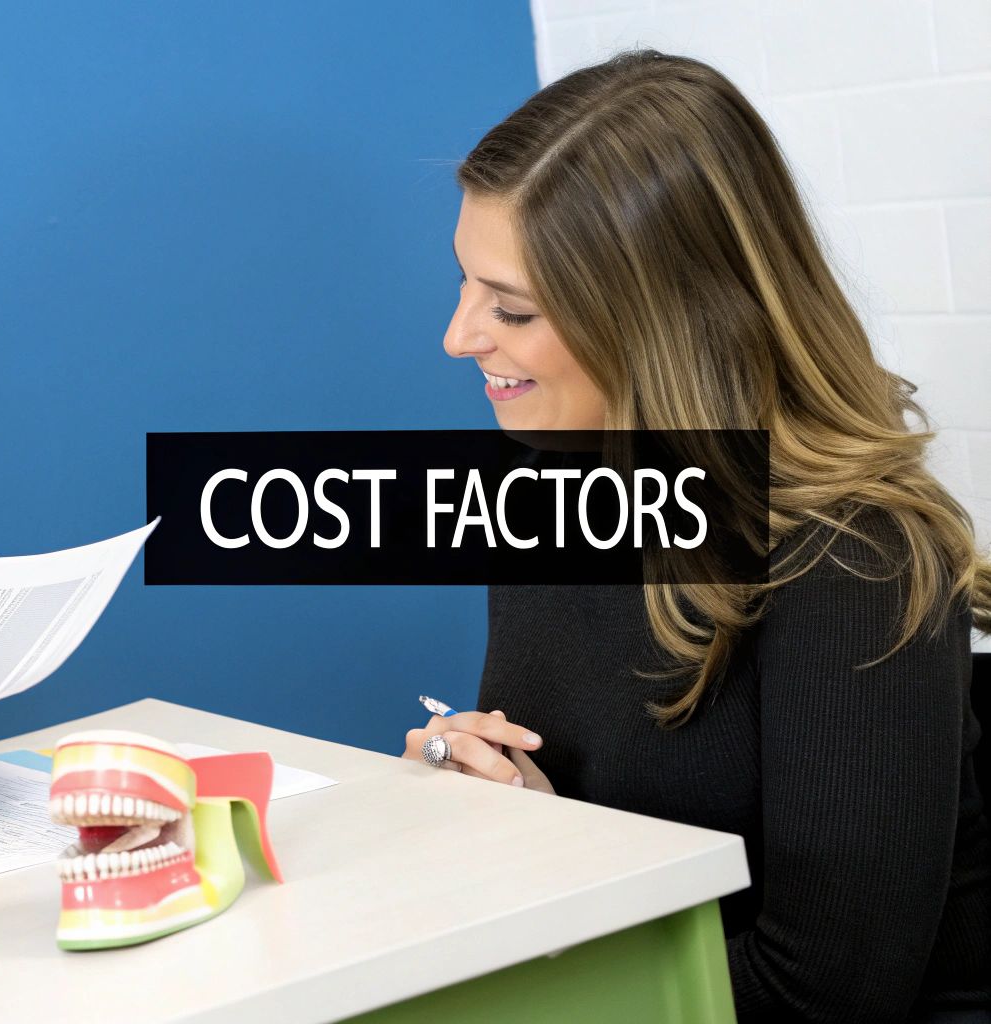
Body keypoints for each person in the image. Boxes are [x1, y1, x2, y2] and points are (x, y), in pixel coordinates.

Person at [403, 51, 990, 1021]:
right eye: (465, 285)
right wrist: (496, 799)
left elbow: (820, 998)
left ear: (657, 321)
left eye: (511, 307)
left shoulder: (856, 556)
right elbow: (598, 839)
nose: (458, 336)